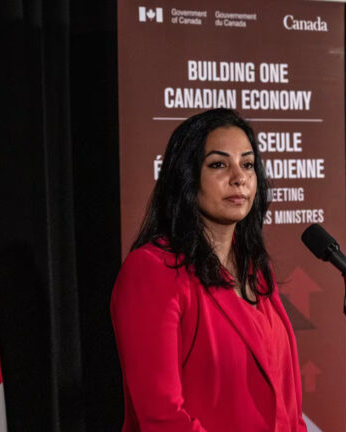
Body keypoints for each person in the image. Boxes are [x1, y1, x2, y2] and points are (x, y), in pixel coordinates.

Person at [111, 109, 307, 431]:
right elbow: (162, 418)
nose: (239, 177)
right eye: (218, 164)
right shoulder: (151, 271)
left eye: (247, 164)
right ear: (186, 176)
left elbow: (287, 407)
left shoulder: (256, 270)